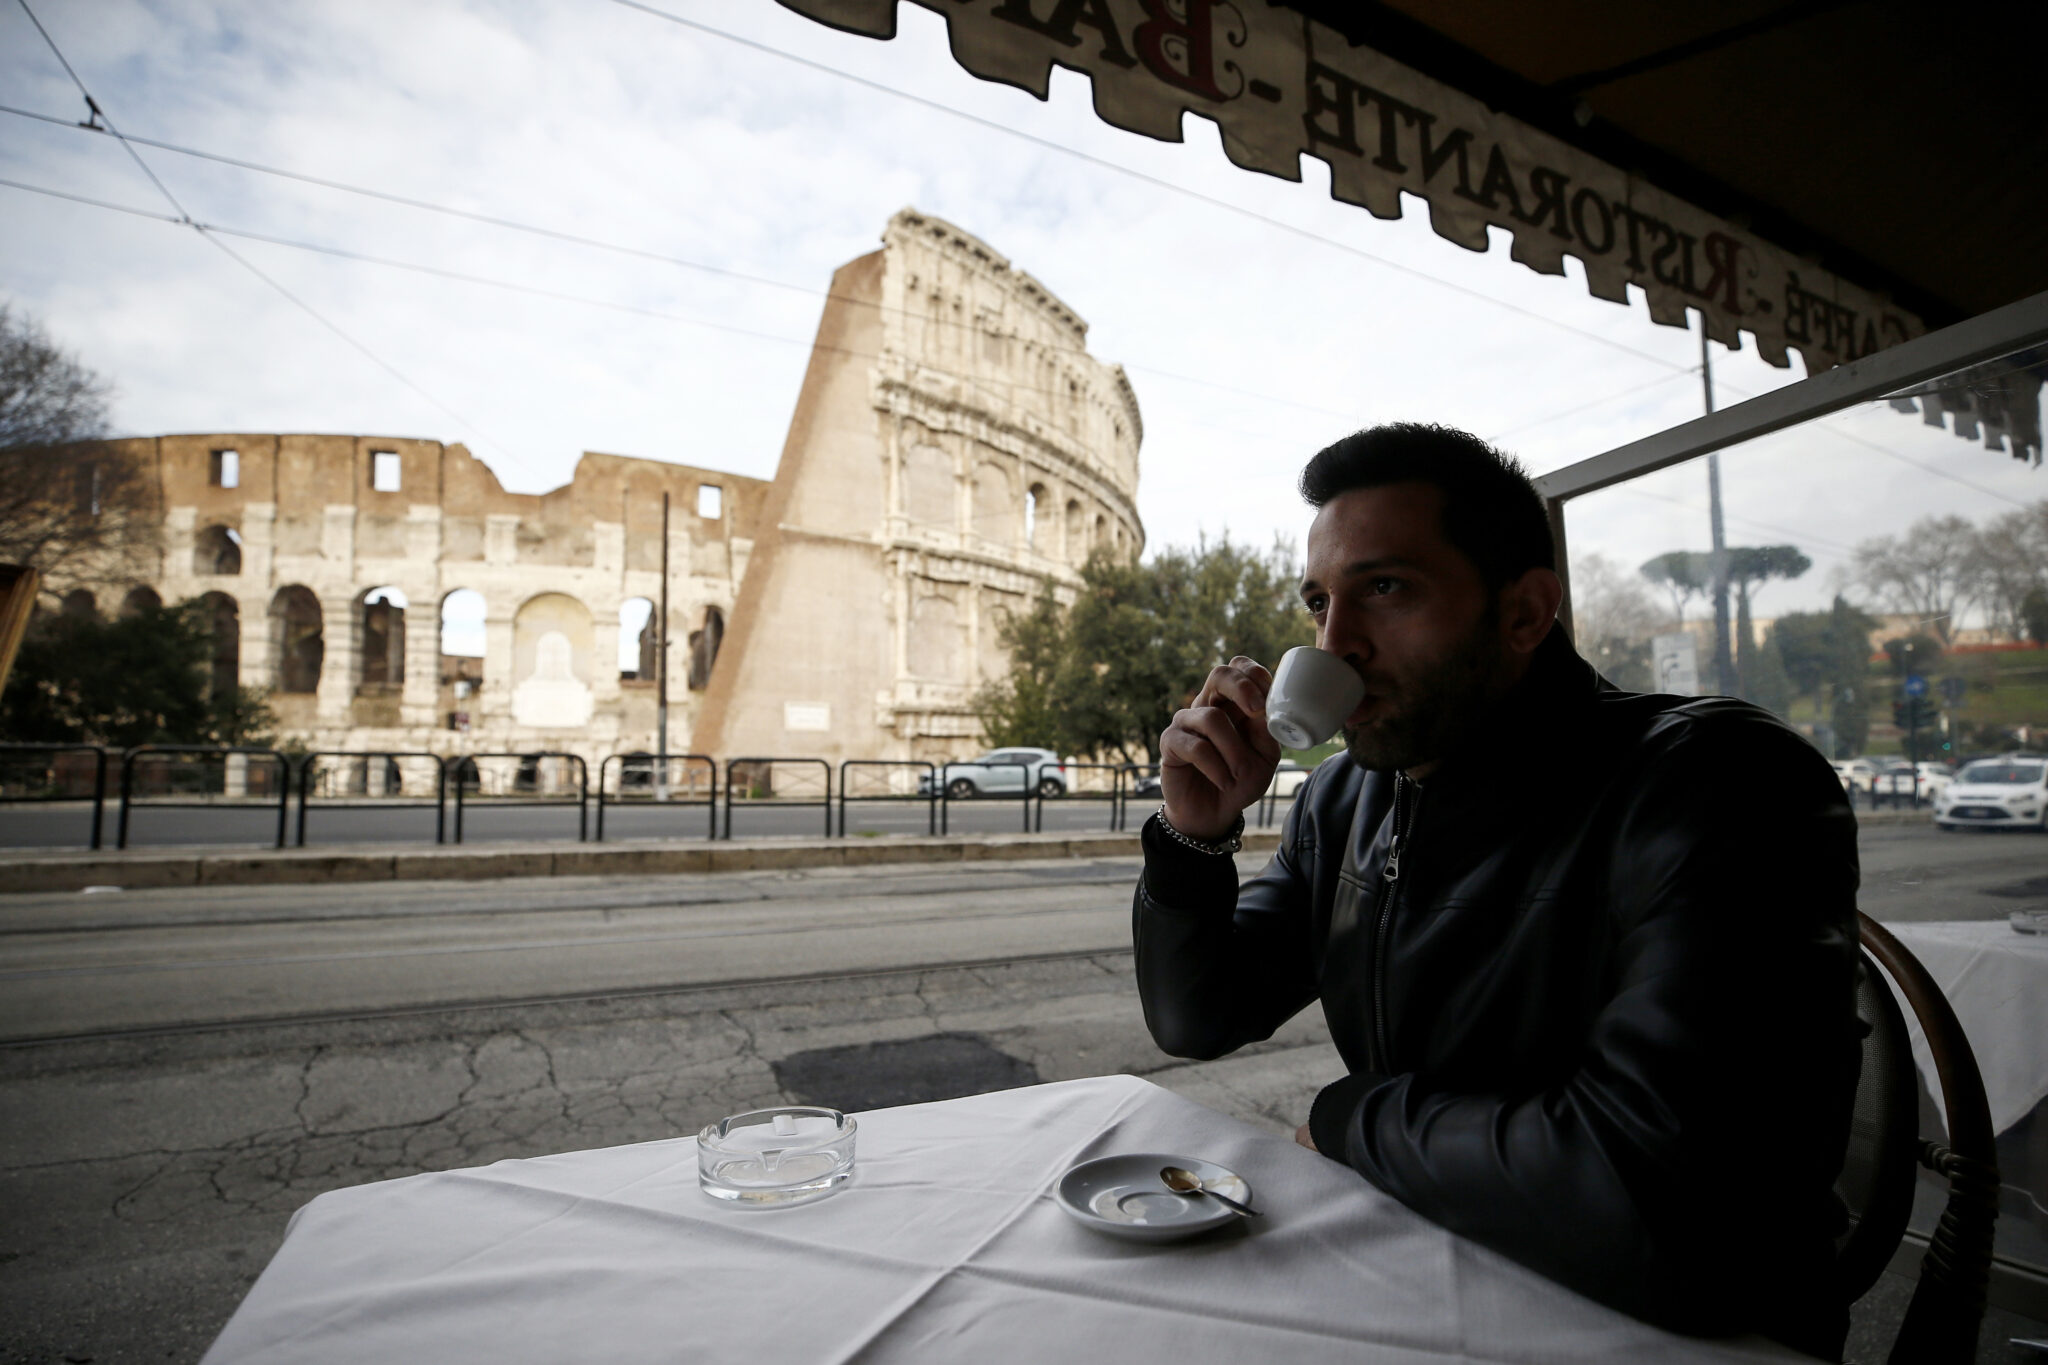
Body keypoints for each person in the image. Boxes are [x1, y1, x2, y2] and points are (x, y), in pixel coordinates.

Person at [1134, 423, 1860, 1359]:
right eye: (1319, 601)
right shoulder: (1346, 795)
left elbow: (1665, 1198)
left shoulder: (1719, 782)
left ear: (1524, 614)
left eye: (1384, 588)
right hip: (1425, 1259)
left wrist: (1351, 1117)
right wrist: (1194, 839)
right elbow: (1198, 1015)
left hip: (1683, 1327)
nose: (1334, 642)